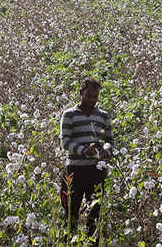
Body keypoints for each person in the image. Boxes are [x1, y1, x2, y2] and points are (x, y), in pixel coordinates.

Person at [59, 78, 115, 244]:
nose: (91, 99)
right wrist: (84, 150)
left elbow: (110, 142)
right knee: (70, 212)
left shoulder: (104, 116)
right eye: (88, 95)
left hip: (96, 172)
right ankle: (69, 242)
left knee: (95, 212)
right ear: (81, 93)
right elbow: (65, 142)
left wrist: (105, 152)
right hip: (74, 171)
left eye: (95, 96)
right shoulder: (69, 115)